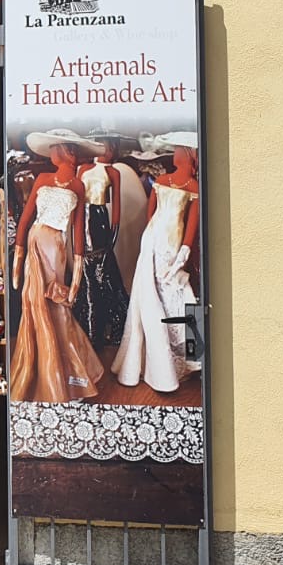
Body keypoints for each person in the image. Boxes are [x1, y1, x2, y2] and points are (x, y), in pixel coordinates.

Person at [9, 130, 106, 403]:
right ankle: (42, 371)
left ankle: (67, 376)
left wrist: (76, 278)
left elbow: (78, 231)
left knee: (57, 304)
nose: (69, 155)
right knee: (34, 303)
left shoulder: (78, 186)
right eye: (66, 150)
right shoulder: (42, 178)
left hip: (56, 247)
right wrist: (18, 258)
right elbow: (25, 219)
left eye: (70, 150)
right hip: (36, 243)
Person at [113, 132, 201, 393]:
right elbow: (151, 215)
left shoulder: (192, 186)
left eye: (178, 150)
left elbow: (190, 224)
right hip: (155, 241)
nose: (174, 154)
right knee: (154, 295)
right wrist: (153, 242)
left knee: (178, 294)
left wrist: (183, 252)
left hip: (169, 244)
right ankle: (169, 362)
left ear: (187, 155)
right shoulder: (163, 181)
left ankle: (189, 358)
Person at [75, 131, 132, 349]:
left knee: (102, 272)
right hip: (82, 218)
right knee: (87, 273)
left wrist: (112, 238)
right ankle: (89, 330)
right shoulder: (83, 169)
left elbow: (116, 208)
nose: (111, 151)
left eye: (113, 146)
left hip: (99, 219)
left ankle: (105, 330)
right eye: (108, 146)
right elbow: (77, 200)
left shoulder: (113, 172)